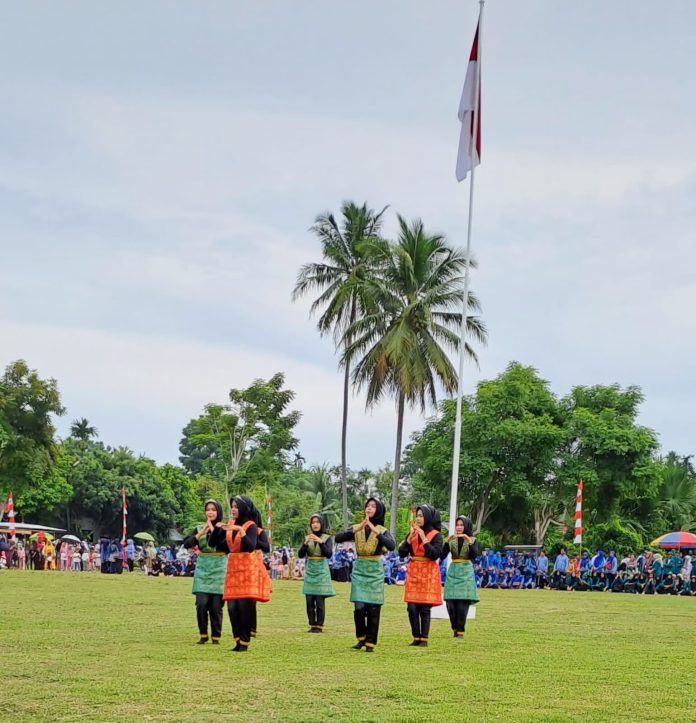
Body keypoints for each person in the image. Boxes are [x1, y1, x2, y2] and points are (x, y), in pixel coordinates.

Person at [334, 498, 395, 653]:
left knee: (374, 608)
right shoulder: (357, 528)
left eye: (373, 506)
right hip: (360, 569)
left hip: (374, 570)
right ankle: (361, 637)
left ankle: (371, 642)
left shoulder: (382, 529)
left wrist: (375, 531)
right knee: (359, 607)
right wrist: (357, 528)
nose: (369, 508)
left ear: (379, 510)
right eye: (367, 505)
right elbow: (338, 538)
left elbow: (391, 546)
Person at [209, 496, 264, 653]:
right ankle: (237, 639)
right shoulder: (230, 525)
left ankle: (244, 642)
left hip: (247, 569)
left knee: (243, 607)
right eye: (232, 506)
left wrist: (240, 531)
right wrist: (216, 528)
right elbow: (215, 544)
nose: (233, 509)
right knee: (232, 607)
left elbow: (250, 546)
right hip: (233, 569)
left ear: (244, 508)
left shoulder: (251, 526)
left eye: (236, 506)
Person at [183, 499, 227, 645]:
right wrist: (202, 532)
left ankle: (216, 636)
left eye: (213, 510)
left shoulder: (224, 528)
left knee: (216, 606)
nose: (210, 512)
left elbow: (225, 546)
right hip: (203, 569)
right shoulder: (198, 528)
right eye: (208, 509)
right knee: (201, 604)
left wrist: (213, 530)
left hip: (219, 569)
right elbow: (187, 544)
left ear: (218, 512)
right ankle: (203, 634)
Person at [398, 505, 443, 648]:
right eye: (417, 515)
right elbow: (402, 553)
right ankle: (415, 636)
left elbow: (435, 554)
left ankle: (424, 638)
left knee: (425, 608)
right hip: (414, 571)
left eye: (421, 516)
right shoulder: (412, 533)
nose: (418, 518)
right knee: (411, 607)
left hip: (428, 572)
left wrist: (424, 538)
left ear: (428, 518)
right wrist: (409, 540)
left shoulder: (436, 535)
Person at [440, 515, 479, 639]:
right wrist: (446, 542)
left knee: (462, 603)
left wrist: (468, 540)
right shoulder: (451, 540)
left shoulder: (472, 539)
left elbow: (474, 556)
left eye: (461, 525)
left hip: (466, 571)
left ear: (466, 526)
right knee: (450, 604)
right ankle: (454, 629)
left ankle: (460, 631)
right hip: (453, 571)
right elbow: (441, 556)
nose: (459, 527)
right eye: (457, 525)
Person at [298, 513, 335, 632]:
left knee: (319, 600)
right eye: (313, 522)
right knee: (309, 600)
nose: (315, 524)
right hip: (310, 569)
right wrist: (304, 544)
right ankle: (312, 624)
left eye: (317, 522)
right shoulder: (307, 537)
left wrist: (320, 542)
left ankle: (319, 625)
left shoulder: (326, 538)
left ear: (321, 524)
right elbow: (300, 555)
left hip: (321, 569)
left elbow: (329, 554)